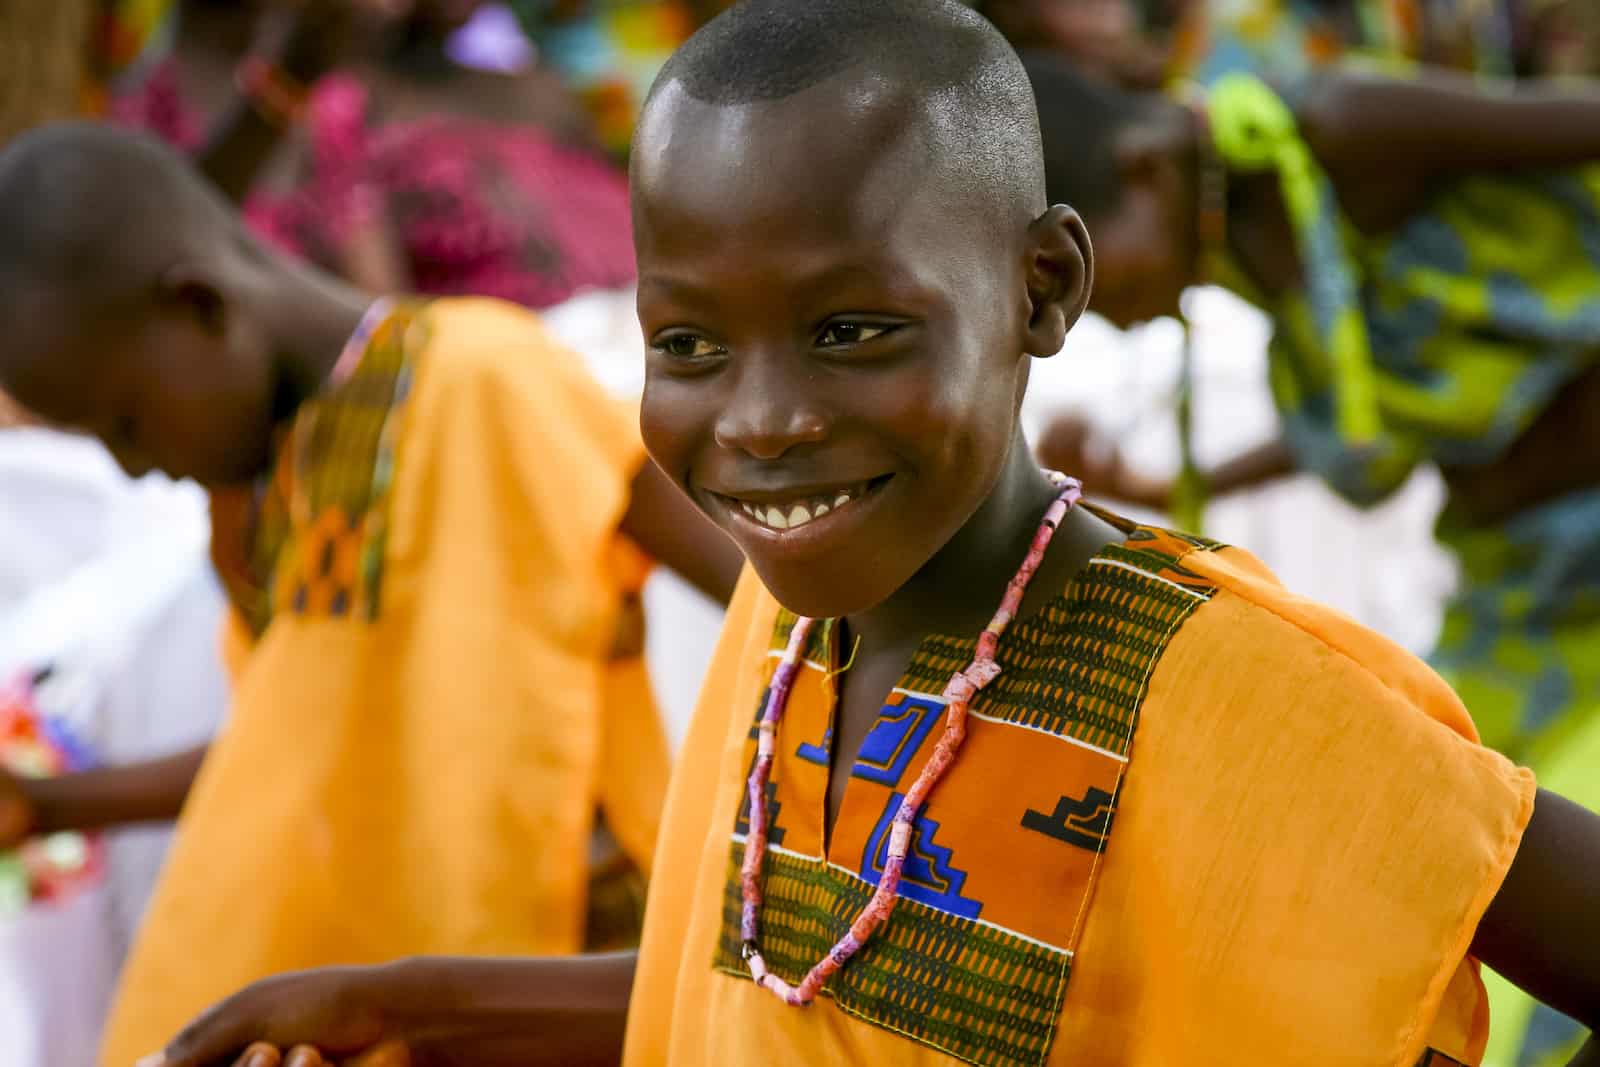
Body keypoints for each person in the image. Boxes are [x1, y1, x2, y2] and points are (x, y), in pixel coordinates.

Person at [93, 3, 1600, 1065]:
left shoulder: (1215, 689)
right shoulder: (795, 618)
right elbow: (772, 991)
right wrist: (407, 1004)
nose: (760, 420)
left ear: (1043, 290)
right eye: (686, 344)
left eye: (854, 327)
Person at [0, 122, 742, 1067]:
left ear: (197, 306)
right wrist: (51, 806)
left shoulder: (489, 376)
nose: (133, 468)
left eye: (127, 422)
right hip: (361, 1007)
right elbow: (283, 753)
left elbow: (762, 596)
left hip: (557, 982)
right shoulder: (254, 508)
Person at [1025, 51, 1600, 1061]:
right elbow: (1383, 381)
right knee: (1448, 832)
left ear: (1147, 174)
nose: (1094, 315)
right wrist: (1166, 491)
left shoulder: (1348, 128)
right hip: (1528, 572)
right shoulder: (1266, 239)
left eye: (1090, 274)